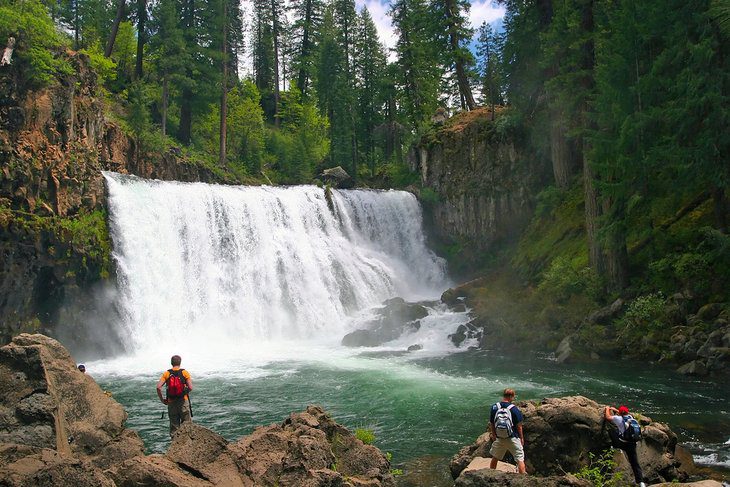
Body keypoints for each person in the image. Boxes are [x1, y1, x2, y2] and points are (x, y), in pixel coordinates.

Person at [605, 405, 645, 487]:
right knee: (635, 463)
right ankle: (641, 483)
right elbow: (624, 414)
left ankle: (615, 447)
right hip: (632, 444)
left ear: (620, 413)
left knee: (612, 431)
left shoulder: (618, 419)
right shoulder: (631, 417)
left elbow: (608, 417)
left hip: (622, 443)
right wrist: (616, 410)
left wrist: (607, 409)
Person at [488, 388, 526, 474]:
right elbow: (519, 426)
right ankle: (523, 479)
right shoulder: (514, 409)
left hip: (500, 437)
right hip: (512, 437)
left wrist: (494, 435)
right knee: (520, 459)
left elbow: (492, 423)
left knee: (495, 457)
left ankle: (491, 474)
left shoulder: (495, 407)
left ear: (503, 395)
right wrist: (521, 438)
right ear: (511, 396)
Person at [157, 355, 193, 437]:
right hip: (183, 401)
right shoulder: (184, 372)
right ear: (180, 363)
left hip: (171, 402)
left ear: (171, 363)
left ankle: (175, 446)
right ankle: (188, 446)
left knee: (174, 426)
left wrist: (163, 400)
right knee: (187, 425)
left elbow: (158, 387)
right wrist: (183, 393)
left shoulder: (167, 373)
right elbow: (191, 387)